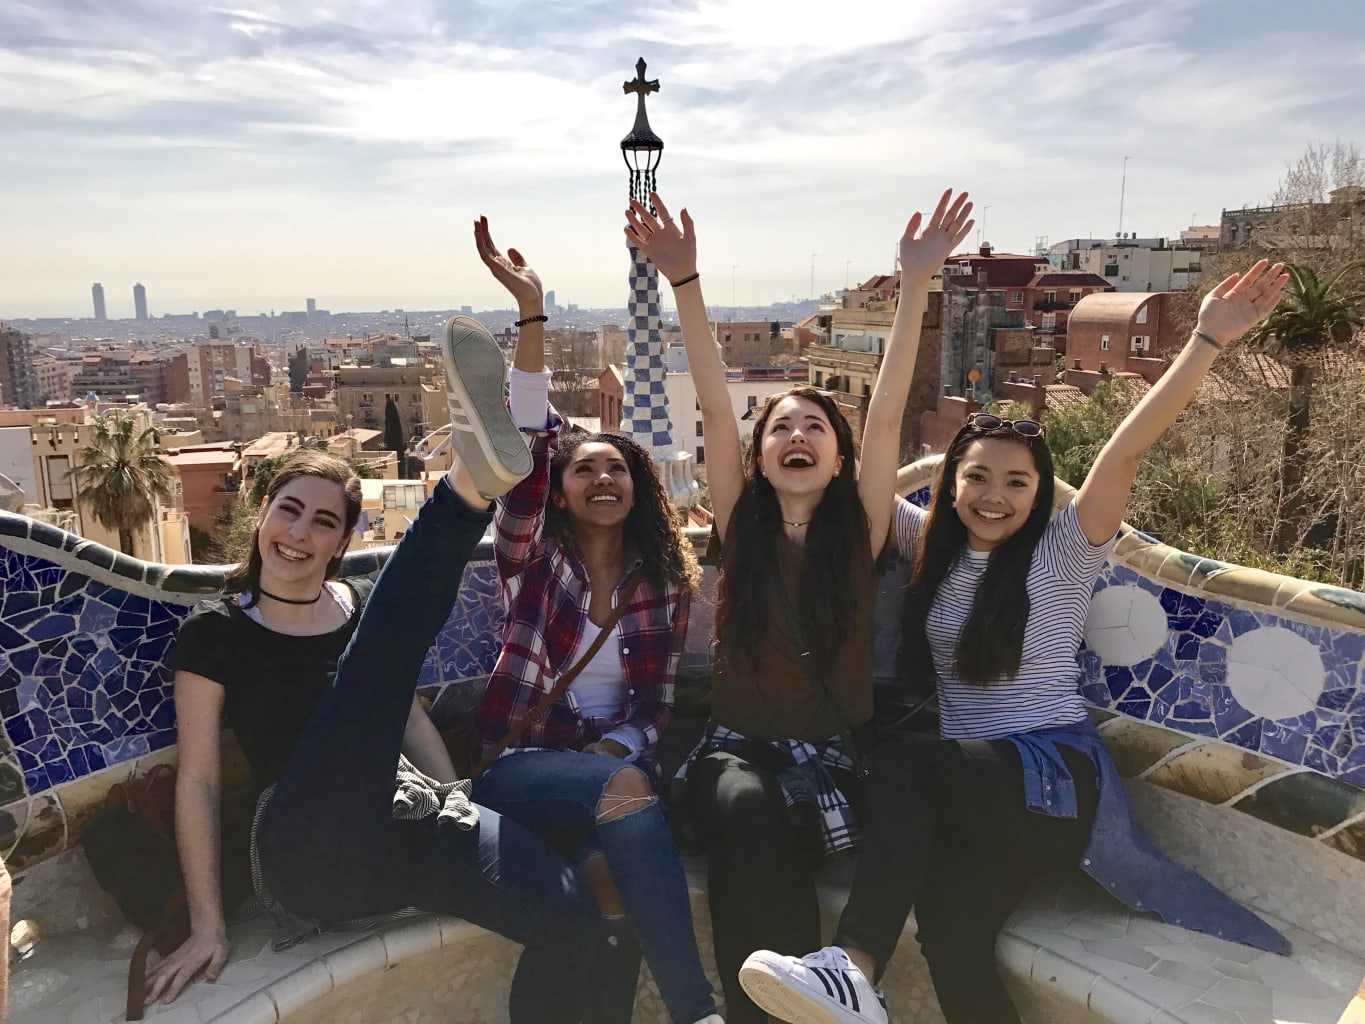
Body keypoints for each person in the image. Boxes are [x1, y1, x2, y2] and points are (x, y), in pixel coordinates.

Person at [738, 260, 1293, 1024]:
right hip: (979, 798)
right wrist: (913, 294)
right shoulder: (922, 541)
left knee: (902, 761)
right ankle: (861, 975)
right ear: (950, 484)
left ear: (1040, 494)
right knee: (951, 938)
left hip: (1053, 779)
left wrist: (1203, 339)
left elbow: (1123, 453)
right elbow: (871, 474)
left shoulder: (1061, 551)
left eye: (1016, 482)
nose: (994, 496)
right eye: (977, 478)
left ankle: (853, 968)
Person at [147, 320, 637, 1023]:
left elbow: (402, 715)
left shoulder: (355, 606)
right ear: (261, 516)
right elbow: (196, 782)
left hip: (401, 823)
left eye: (323, 522)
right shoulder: (218, 632)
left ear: (343, 540)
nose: (298, 533)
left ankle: (472, 480)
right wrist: (208, 924)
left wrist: (460, 799)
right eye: (288, 511)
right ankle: (467, 487)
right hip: (306, 842)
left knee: (579, 922)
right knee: (369, 670)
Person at [625, 190, 973, 1023]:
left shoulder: (860, 533)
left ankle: (822, 991)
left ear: (840, 453)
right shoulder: (740, 525)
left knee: (830, 815)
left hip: (832, 753)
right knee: (749, 816)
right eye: (781, 425)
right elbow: (713, 403)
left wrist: (917, 280)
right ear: (759, 452)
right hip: (736, 751)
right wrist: (687, 280)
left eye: (814, 425)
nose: (796, 436)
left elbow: (888, 409)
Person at [465, 217, 723, 1024]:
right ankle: (697, 1012)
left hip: (611, 783)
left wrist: (621, 743)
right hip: (518, 768)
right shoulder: (531, 558)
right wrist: (532, 315)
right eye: (585, 469)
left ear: (639, 489)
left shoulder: (663, 583)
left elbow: (655, 707)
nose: (602, 477)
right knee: (625, 788)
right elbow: (525, 450)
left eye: (617, 467)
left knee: (608, 901)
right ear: (564, 490)